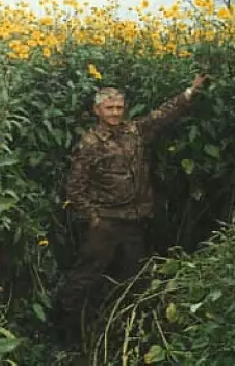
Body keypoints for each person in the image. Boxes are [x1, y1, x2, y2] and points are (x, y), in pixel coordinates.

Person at [54, 74, 209, 344]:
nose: (115, 113)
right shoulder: (90, 144)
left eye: (119, 107)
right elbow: (75, 189)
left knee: (133, 280)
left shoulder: (134, 131)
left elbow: (162, 116)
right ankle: (65, 336)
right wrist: (94, 220)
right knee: (84, 279)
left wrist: (190, 92)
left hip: (133, 223)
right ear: (97, 111)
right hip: (105, 224)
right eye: (109, 108)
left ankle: (125, 336)